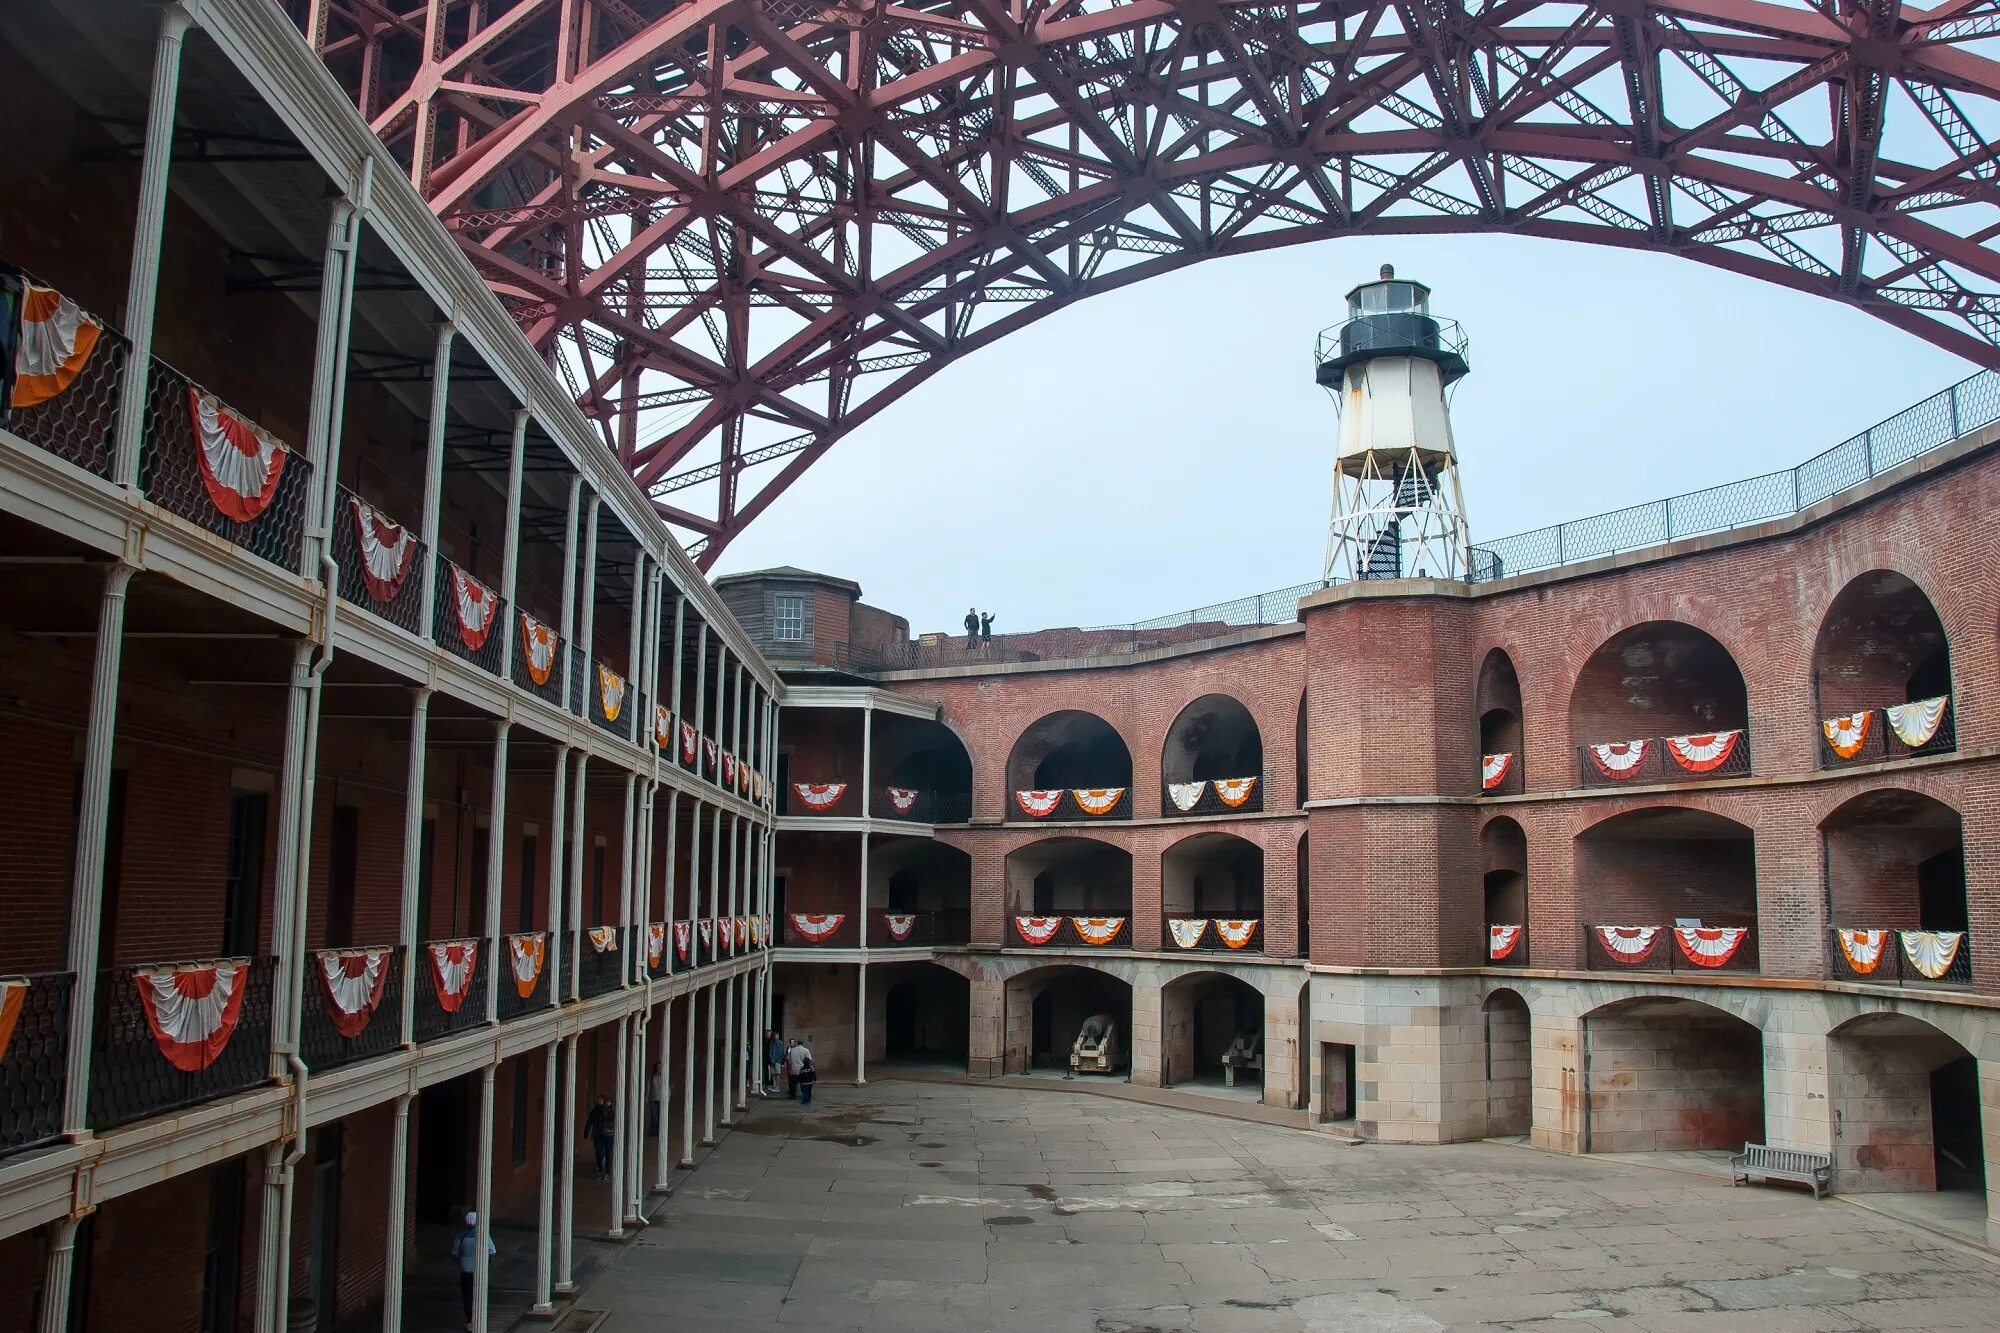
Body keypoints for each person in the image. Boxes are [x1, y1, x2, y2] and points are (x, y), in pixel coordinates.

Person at [450, 1210, 495, 1332]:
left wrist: (460, 1262)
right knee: (479, 1293)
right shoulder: (483, 1234)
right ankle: (479, 1316)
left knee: (467, 1294)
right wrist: (486, 1263)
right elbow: (492, 1251)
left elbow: (454, 1252)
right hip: (479, 1269)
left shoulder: (461, 1234)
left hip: (465, 1269)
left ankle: (469, 1319)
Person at [584, 1094, 615, 1179]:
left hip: (609, 1134)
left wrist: (607, 1107)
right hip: (598, 1134)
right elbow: (590, 1119)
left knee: (608, 1153)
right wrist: (586, 1131)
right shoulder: (596, 1109)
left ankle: (607, 1172)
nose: (598, 1101)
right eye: (598, 1100)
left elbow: (611, 1117)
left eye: (600, 1100)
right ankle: (600, 1169)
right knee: (599, 1152)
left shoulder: (611, 1109)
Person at [788, 1040, 815, 1106]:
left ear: (797, 1043)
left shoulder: (792, 1050)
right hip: (803, 1070)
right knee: (803, 1083)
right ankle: (804, 1095)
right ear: (802, 1044)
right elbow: (809, 1060)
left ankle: (793, 1095)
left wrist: (789, 1068)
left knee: (793, 1083)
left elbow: (789, 1060)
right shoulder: (806, 1050)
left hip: (794, 1069)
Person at [764, 1029, 785, 1095]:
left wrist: (774, 1059)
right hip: (772, 1060)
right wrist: (771, 1058)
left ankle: (777, 1086)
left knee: (778, 1074)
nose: (776, 1037)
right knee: (773, 1074)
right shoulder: (772, 1042)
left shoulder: (781, 1043)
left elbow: (781, 1053)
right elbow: (770, 1051)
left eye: (777, 1036)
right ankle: (774, 1085)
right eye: (775, 1036)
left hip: (777, 1061)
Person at [647, 1062, 662, 1138]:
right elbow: (648, 1087)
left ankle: (659, 1131)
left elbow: (667, 1087)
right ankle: (653, 1131)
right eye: (658, 1067)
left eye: (660, 1067)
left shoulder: (663, 1076)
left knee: (660, 1115)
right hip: (653, 1098)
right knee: (653, 1115)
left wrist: (668, 1097)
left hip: (661, 1099)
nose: (659, 1068)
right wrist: (647, 1097)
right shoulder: (652, 1076)